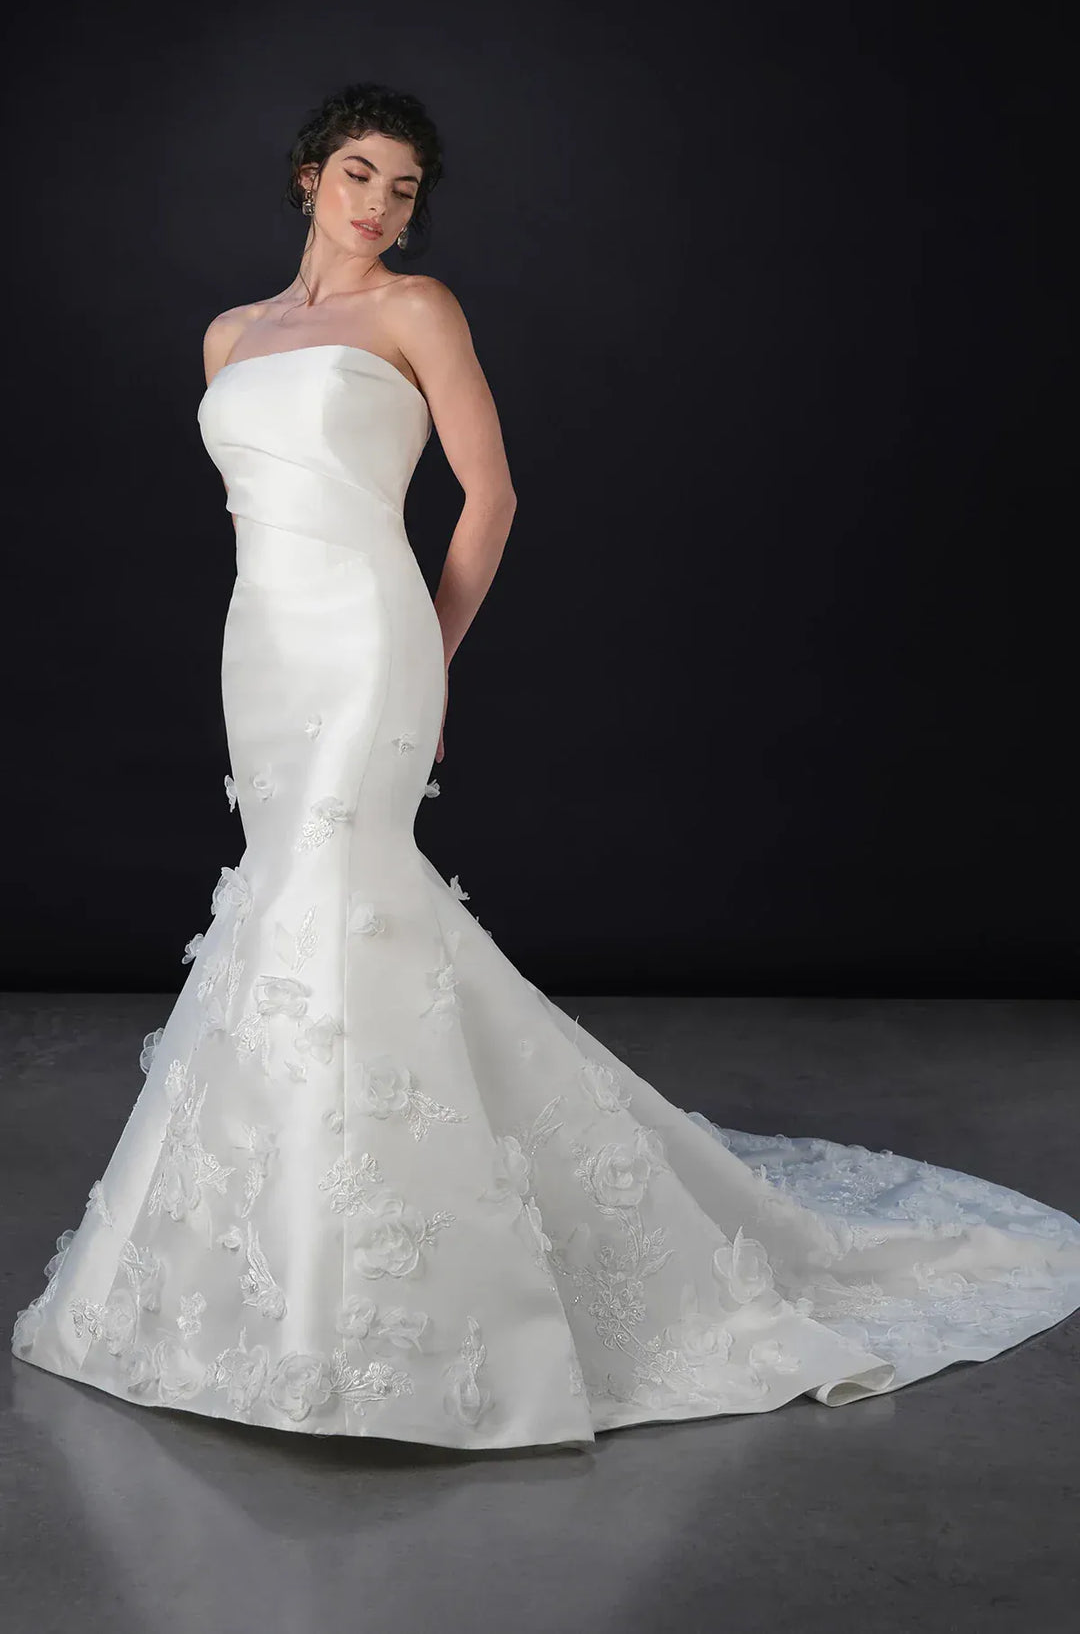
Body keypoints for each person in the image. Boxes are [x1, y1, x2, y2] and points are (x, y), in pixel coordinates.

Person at [11, 83, 1080, 1450]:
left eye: (402, 187)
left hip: (373, 638)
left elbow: (491, 495)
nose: (379, 205)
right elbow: (251, 520)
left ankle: (375, 1302)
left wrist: (434, 657)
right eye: (358, 174)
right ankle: (263, 1272)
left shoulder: (418, 311)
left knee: (343, 900)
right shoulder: (228, 338)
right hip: (261, 655)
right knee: (290, 921)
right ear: (305, 177)